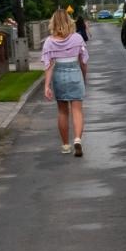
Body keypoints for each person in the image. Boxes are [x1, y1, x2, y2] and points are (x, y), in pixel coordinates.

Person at [41, 8, 89, 157]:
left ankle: (65, 145)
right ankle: (77, 139)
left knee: (62, 111)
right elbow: (83, 61)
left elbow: (48, 66)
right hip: (75, 72)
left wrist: (46, 85)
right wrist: (83, 76)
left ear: (53, 23)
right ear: (69, 21)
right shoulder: (77, 38)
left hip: (59, 75)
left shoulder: (49, 42)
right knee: (77, 110)